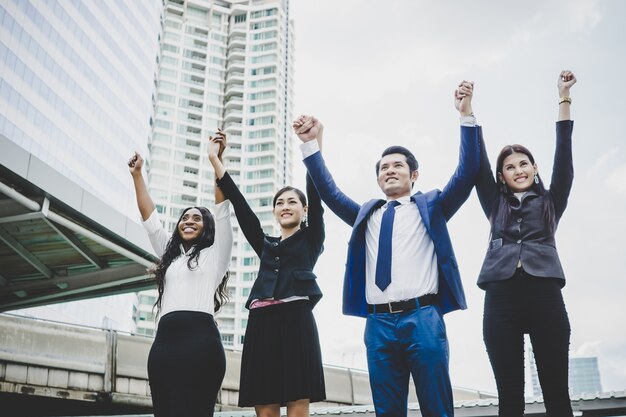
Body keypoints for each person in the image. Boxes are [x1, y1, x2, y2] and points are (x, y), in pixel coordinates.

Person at [294, 81, 480, 417]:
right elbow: (330, 192)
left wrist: (466, 116)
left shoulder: (432, 207)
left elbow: (466, 174)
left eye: (397, 166)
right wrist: (310, 146)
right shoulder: (367, 215)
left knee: (437, 407)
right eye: (383, 168)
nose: (389, 170)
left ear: (414, 174)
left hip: (422, 318)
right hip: (378, 325)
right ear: (378, 179)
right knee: (387, 411)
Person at [475, 70, 577, 417]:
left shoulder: (551, 201)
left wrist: (563, 99)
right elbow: (475, 165)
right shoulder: (494, 204)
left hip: (545, 295)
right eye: (509, 167)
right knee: (510, 399)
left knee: (556, 395)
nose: (517, 170)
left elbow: (564, 158)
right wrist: (467, 112)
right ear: (501, 176)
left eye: (523, 163)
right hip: (501, 298)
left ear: (534, 168)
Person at [207, 130, 326, 417]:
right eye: (280, 203)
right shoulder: (266, 245)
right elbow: (240, 205)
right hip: (261, 323)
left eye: (292, 202)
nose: (285, 206)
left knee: (298, 400)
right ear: (274, 211)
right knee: (265, 402)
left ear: (304, 209)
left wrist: (313, 145)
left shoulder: (311, 239)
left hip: (296, 319)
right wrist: (215, 159)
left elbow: (316, 192)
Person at [127, 138, 233, 417]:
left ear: (206, 227)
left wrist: (215, 160)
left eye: (197, 218)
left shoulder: (216, 254)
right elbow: (150, 220)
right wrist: (138, 176)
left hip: (203, 345)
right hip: (165, 344)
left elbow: (222, 210)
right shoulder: (169, 255)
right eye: (185, 218)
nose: (188, 221)